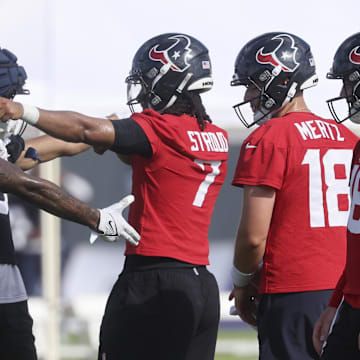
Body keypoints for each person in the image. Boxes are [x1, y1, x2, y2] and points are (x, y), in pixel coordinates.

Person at [0, 33, 229, 360]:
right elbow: (59, 148)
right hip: (200, 283)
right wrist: (106, 133)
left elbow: (81, 133)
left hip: (153, 279)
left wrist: (20, 109)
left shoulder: (160, 129)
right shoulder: (214, 135)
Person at [0, 46, 140, 360]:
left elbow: (46, 149)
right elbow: (27, 186)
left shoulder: (3, 144)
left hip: (6, 284)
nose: (8, 110)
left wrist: (102, 132)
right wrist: (95, 217)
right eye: (6, 98)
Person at [227, 32, 358, 359]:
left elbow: (254, 237)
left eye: (253, 85)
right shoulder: (347, 137)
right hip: (346, 290)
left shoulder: (269, 137)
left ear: (276, 81)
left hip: (293, 290)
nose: (248, 95)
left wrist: (241, 282)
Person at [312, 32, 360, 359]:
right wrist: (336, 302)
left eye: (347, 82)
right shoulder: (358, 148)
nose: (343, 93)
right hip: (352, 303)